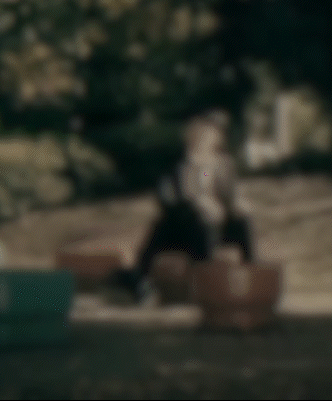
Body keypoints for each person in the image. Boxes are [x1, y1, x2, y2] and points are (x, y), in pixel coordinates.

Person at [109, 111, 254, 304]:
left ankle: (252, 277)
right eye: (201, 135)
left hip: (219, 221)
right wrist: (199, 204)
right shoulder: (178, 164)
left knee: (242, 220)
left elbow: (229, 195)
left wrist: (236, 204)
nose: (206, 140)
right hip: (185, 224)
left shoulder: (224, 164)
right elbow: (173, 197)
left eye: (211, 135)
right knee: (198, 221)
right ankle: (198, 283)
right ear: (190, 138)